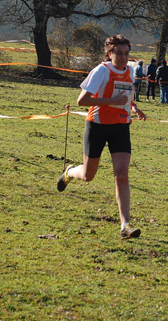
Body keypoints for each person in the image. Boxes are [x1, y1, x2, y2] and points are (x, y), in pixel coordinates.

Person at [56, 34, 146, 240]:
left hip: (121, 127)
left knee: (122, 174)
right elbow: (82, 100)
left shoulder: (130, 71)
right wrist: (110, 101)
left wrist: (135, 107)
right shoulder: (101, 71)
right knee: (88, 176)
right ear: (109, 53)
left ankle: (125, 226)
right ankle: (70, 171)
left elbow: (126, 95)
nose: (123, 57)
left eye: (126, 53)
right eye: (118, 53)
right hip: (97, 126)